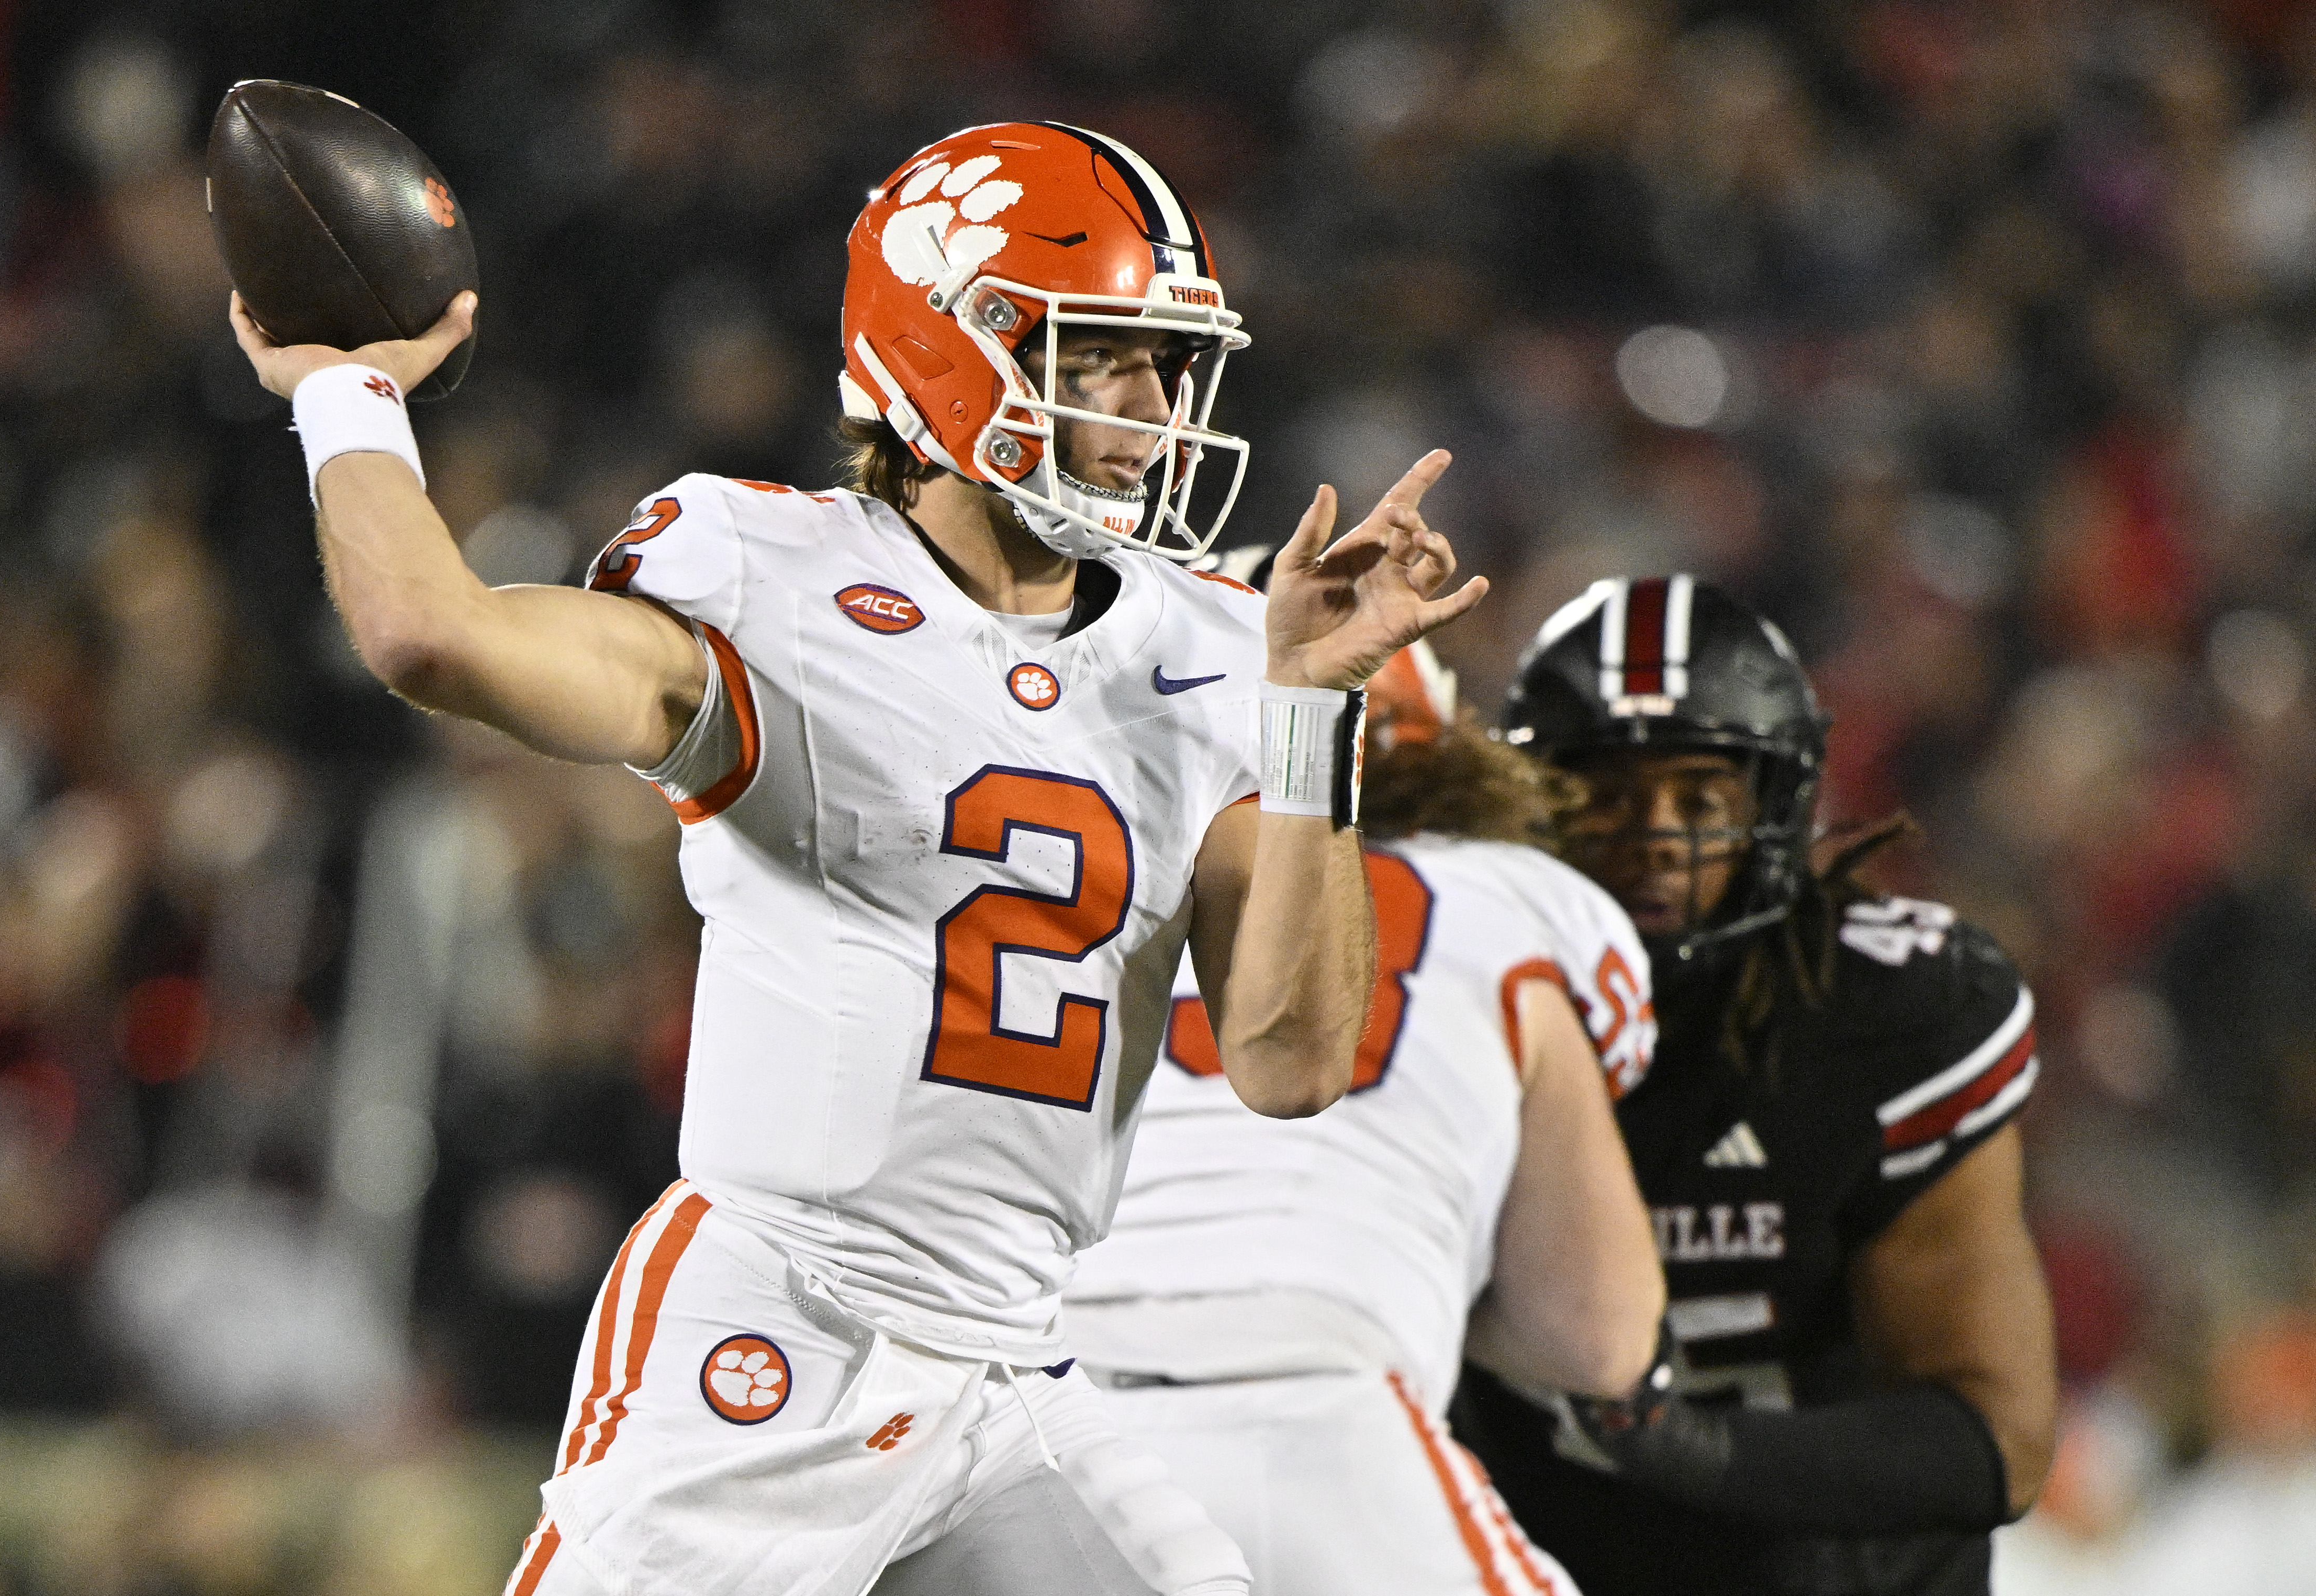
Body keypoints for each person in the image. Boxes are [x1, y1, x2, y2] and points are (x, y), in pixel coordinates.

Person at [229, 121, 1486, 1596]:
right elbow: (431, 634)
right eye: (1101, 359)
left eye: (1163, 361)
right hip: (785, 1324)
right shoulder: (778, 581)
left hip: (1019, 1369)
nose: (1152, 407)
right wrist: (344, 396)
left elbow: (1292, 1059)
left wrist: (1312, 718)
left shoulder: (1211, 646)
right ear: (956, 348)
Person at [1451, 576, 2057, 1596]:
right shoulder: (1448, 992)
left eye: (1697, 797)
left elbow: (1992, 1438)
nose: (1652, 836)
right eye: (1607, 792)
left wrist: (1678, 1445)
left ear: (1771, 808)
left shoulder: (1885, 1017)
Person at [1064, 598, 1666, 1596]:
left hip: (1055, 1421)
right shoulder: (1513, 901)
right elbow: (1597, 1334)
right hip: (1320, 1403)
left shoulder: (1095, 882)